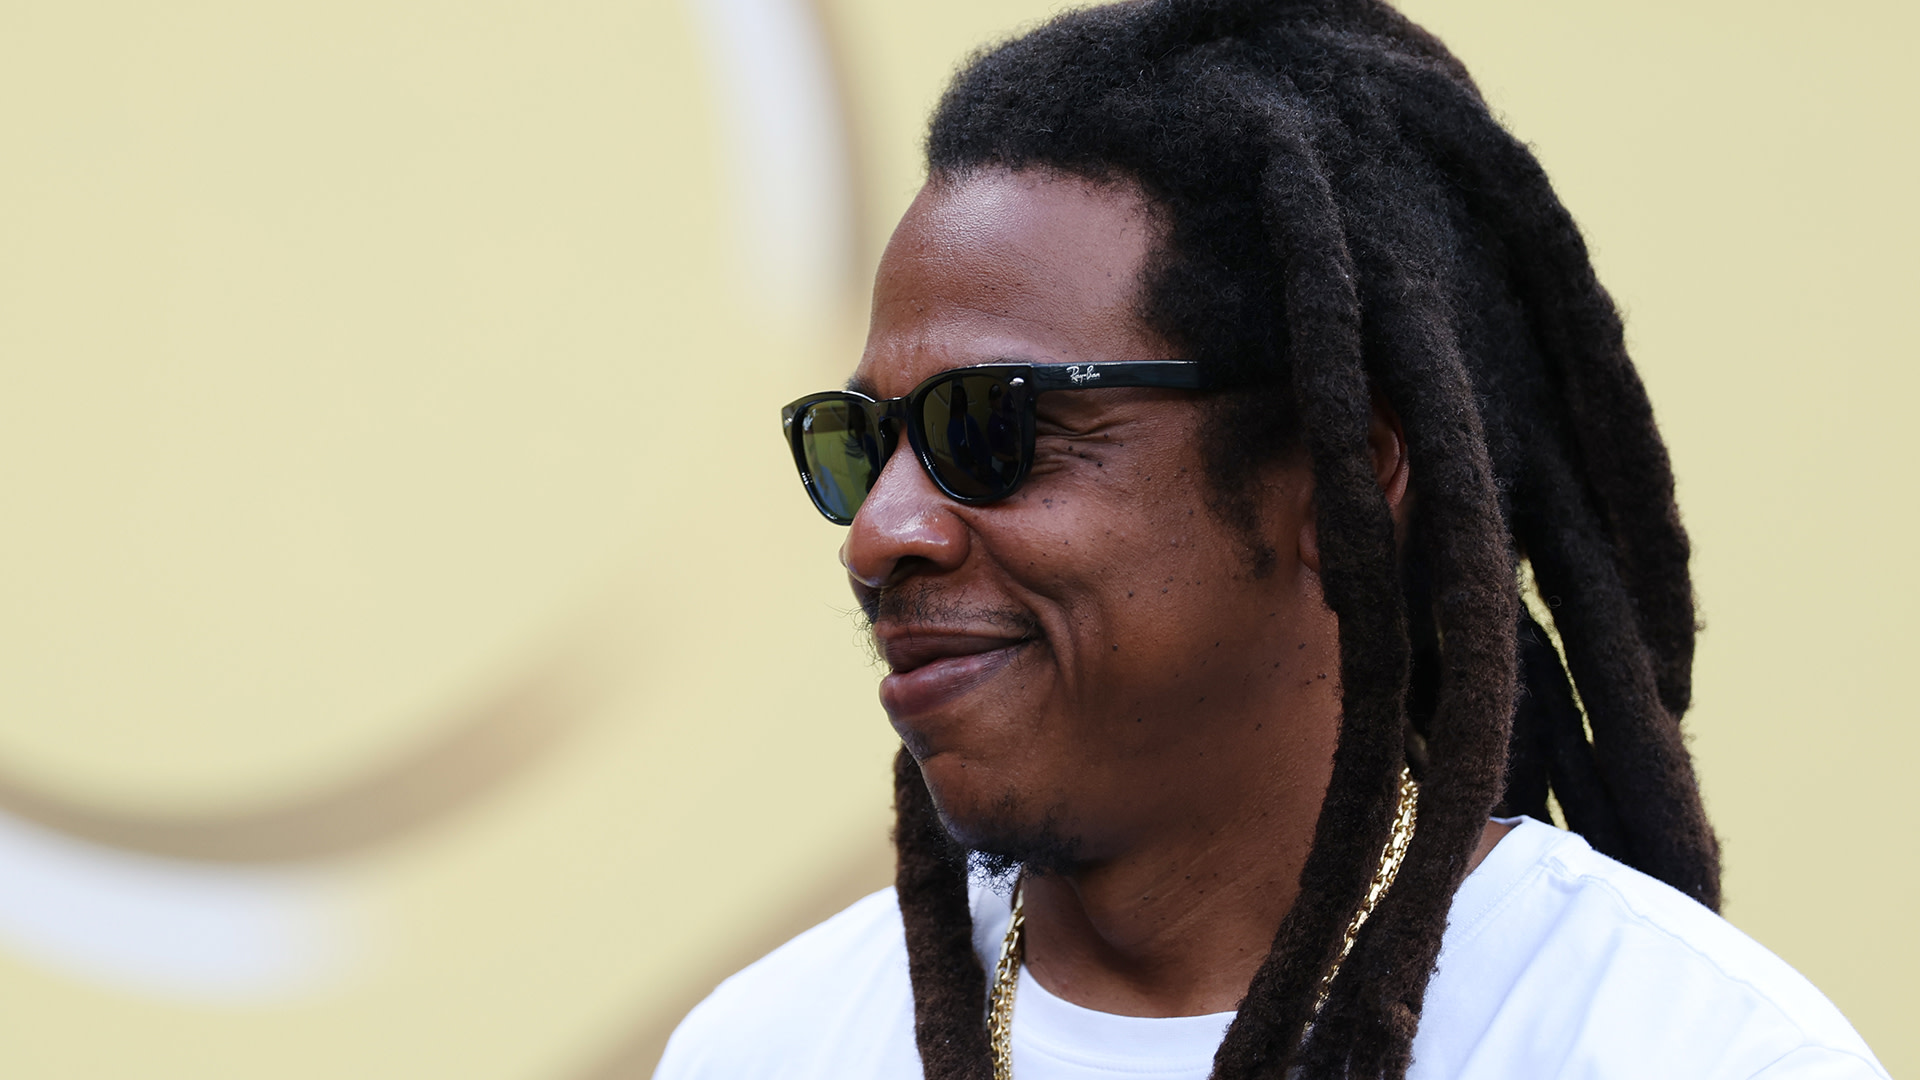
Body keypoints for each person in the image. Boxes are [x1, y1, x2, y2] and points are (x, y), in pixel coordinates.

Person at [658, 1, 1889, 1077]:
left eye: (989, 429)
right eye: (855, 444)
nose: (882, 533)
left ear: (1344, 471)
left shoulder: (1680, 1054)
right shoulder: (765, 1049)